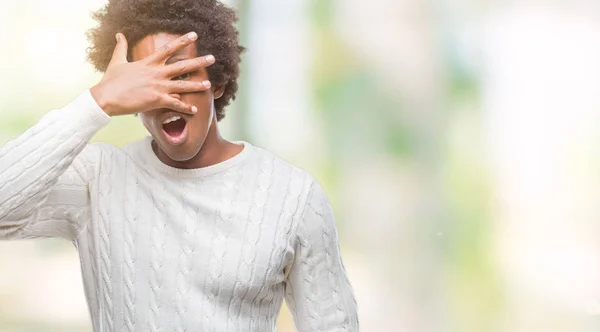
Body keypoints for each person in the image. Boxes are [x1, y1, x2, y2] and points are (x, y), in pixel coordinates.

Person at [0, 0, 359, 331]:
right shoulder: (96, 180)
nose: (165, 93)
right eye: (147, 80)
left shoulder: (293, 197)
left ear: (216, 83)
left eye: (180, 74)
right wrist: (99, 101)